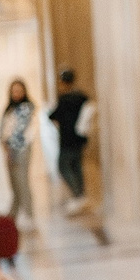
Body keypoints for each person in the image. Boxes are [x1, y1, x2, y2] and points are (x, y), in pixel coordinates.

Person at [49, 69, 93, 215]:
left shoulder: (65, 99)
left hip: (68, 139)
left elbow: (53, 115)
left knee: (63, 166)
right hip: (80, 138)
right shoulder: (82, 96)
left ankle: (77, 195)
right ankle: (81, 195)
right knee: (76, 166)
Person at [0, 80, 36, 224]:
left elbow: (19, 133)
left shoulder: (26, 108)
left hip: (20, 149)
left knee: (22, 181)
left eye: (19, 91)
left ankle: (29, 214)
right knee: (14, 182)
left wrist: (10, 151)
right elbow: (3, 130)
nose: (16, 94)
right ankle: (13, 212)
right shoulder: (10, 109)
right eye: (14, 91)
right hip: (10, 149)